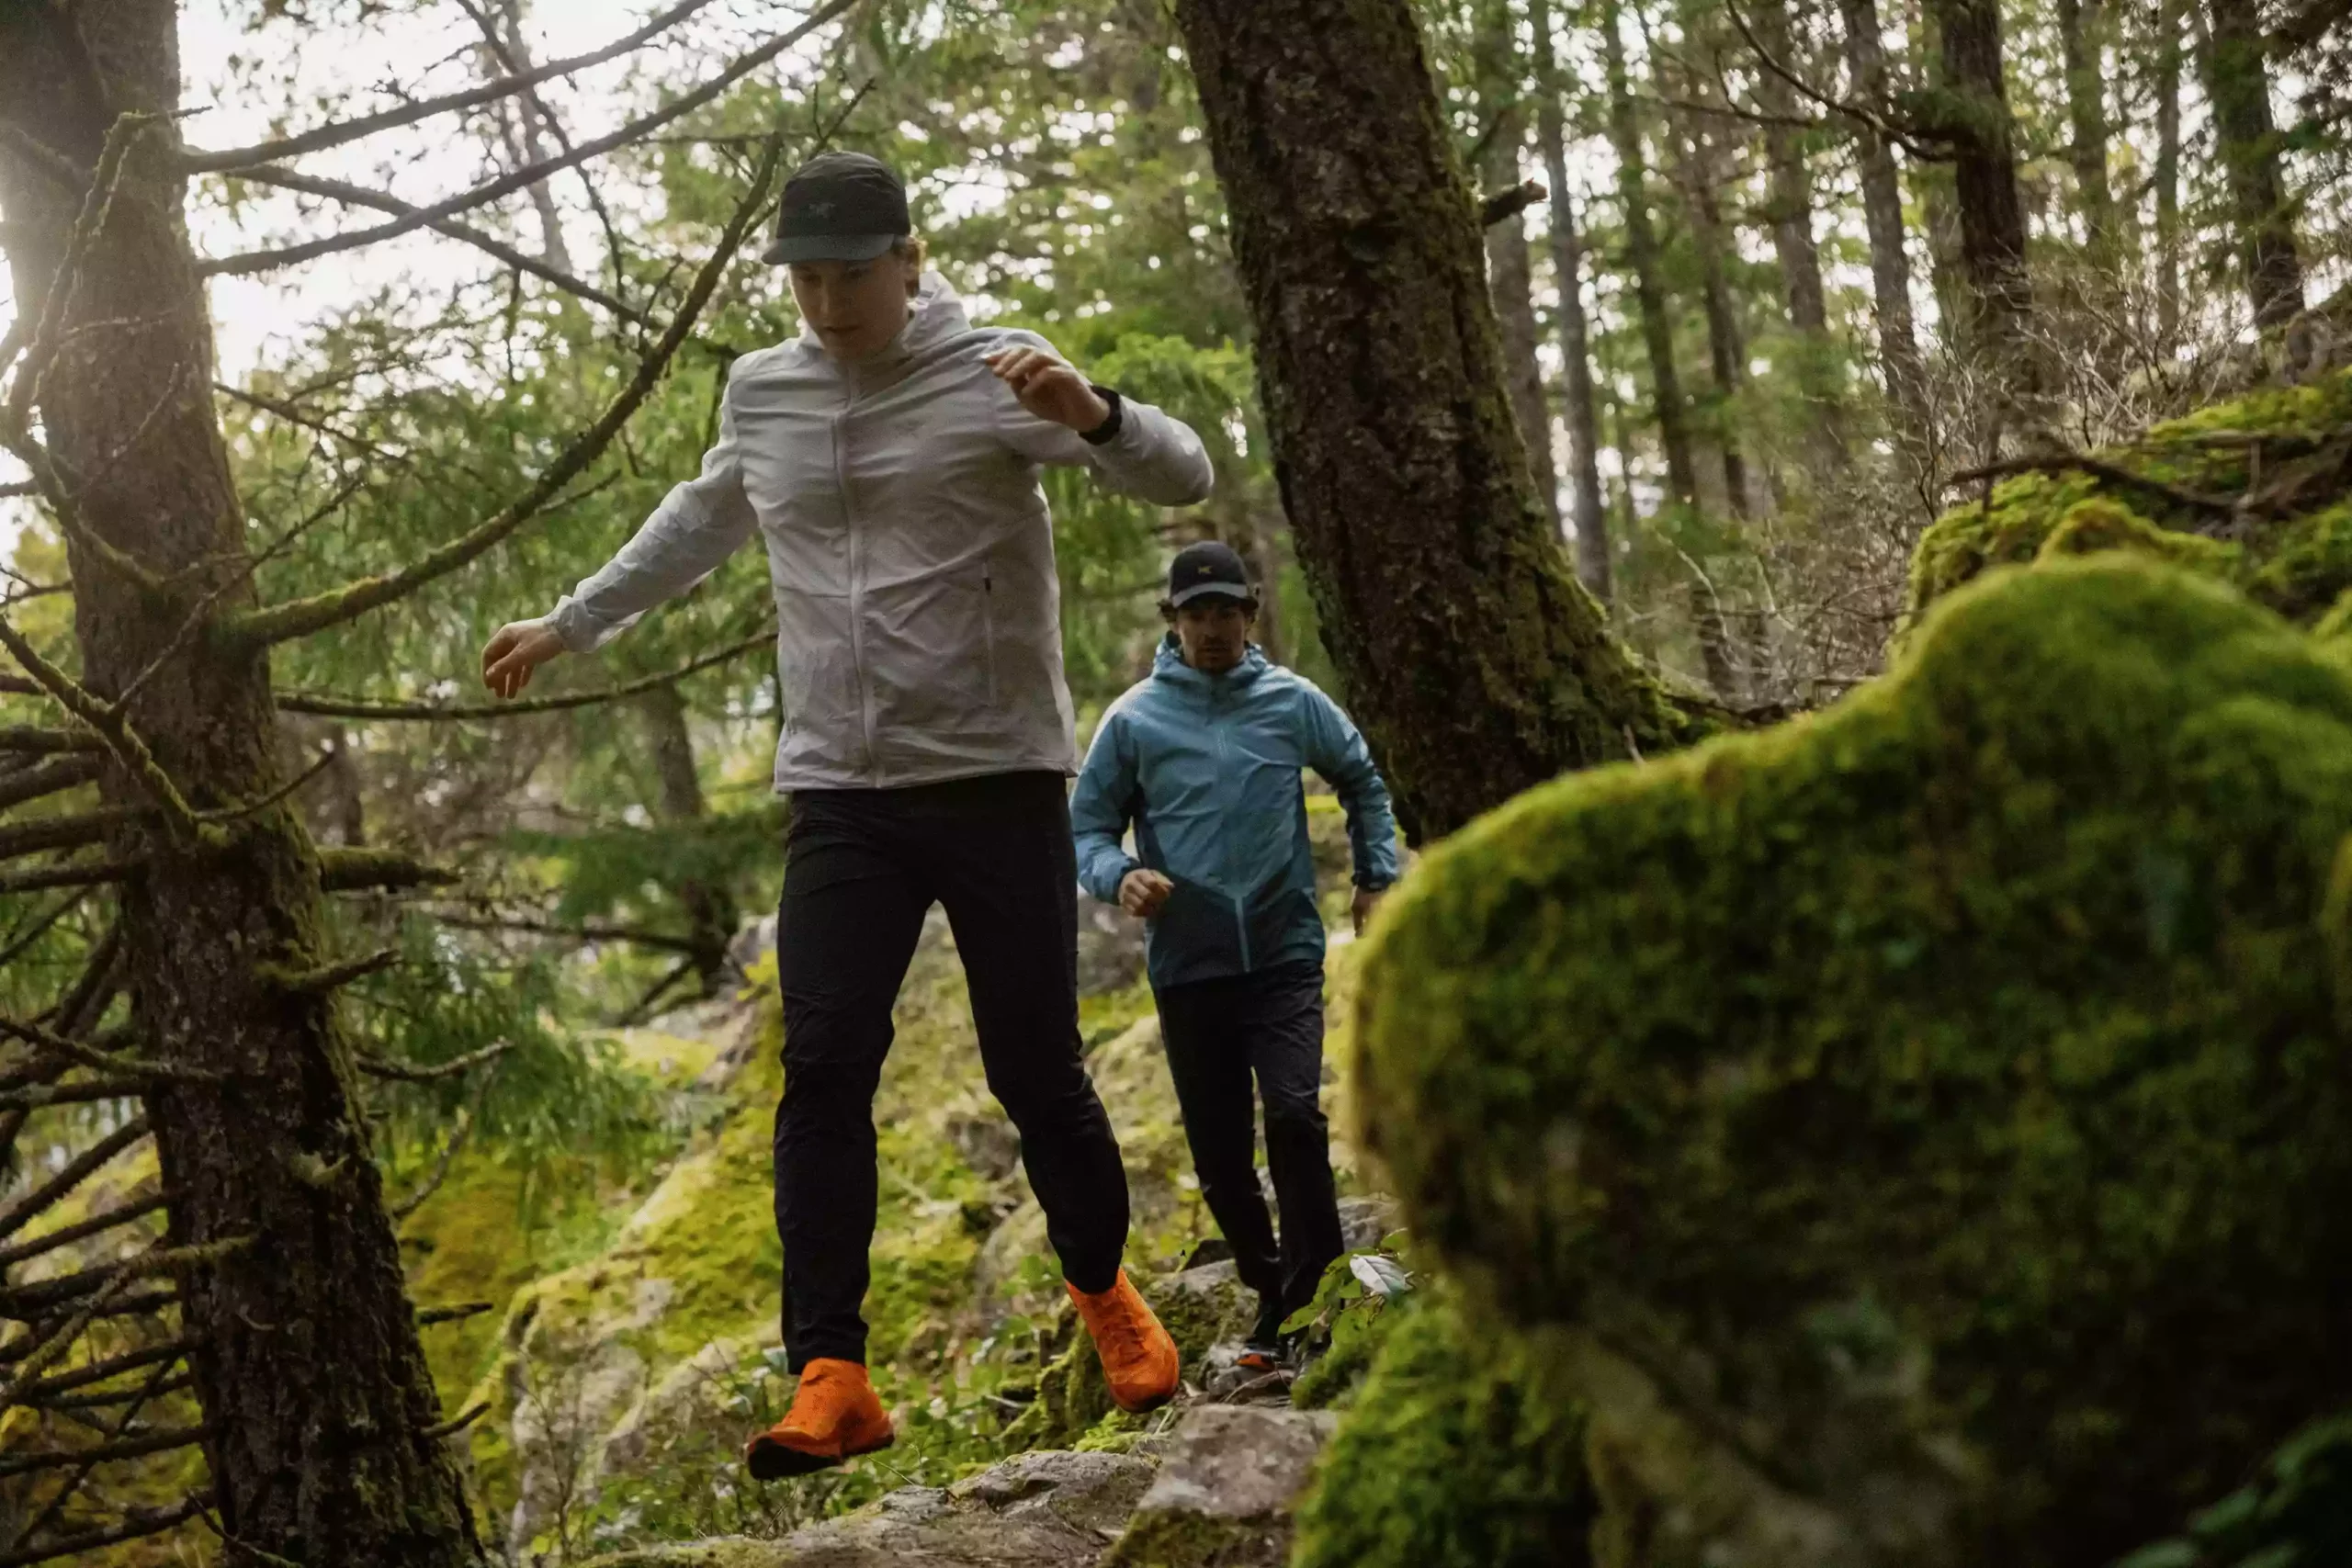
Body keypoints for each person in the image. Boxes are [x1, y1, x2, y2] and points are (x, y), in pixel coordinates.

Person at [480, 151, 1214, 1478]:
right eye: (806, 280)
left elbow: (1183, 477)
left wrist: (1096, 412)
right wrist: (571, 621)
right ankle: (831, 1372)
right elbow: (701, 517)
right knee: (821, 1068)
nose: (827, 304)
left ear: (908, 260)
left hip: (993, 774)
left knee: (1033, 1065)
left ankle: (1104, 1292)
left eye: (851, 277)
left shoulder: (994, 369)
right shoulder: (763, 390)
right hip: (839, 791)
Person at [1069, 541, 1401, 1371]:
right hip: (1190, 967)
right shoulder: (1134, 720)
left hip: (1284, 954)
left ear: (1249, 616)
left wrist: (1375, 876)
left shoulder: (1291, 700)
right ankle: (1272, 1291)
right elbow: (1086, 829)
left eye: (1227, 611)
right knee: (1220, 1159)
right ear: (1172, 621)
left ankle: (1321, 1301)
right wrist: (1120, 875)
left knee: (1294, 1115)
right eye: (1197, 614)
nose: (1213, 628)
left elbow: (1362, 778)